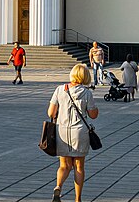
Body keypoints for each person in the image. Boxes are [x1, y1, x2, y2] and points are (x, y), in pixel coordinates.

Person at [48, 64, 99, 202]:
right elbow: (93, 115)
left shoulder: (60, 89)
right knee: (79, 166)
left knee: (64, 165)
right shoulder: (87, 93)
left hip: (62, 131)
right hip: (79, 132)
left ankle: (58, 186)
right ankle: (78, 198)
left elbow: (51, 113)